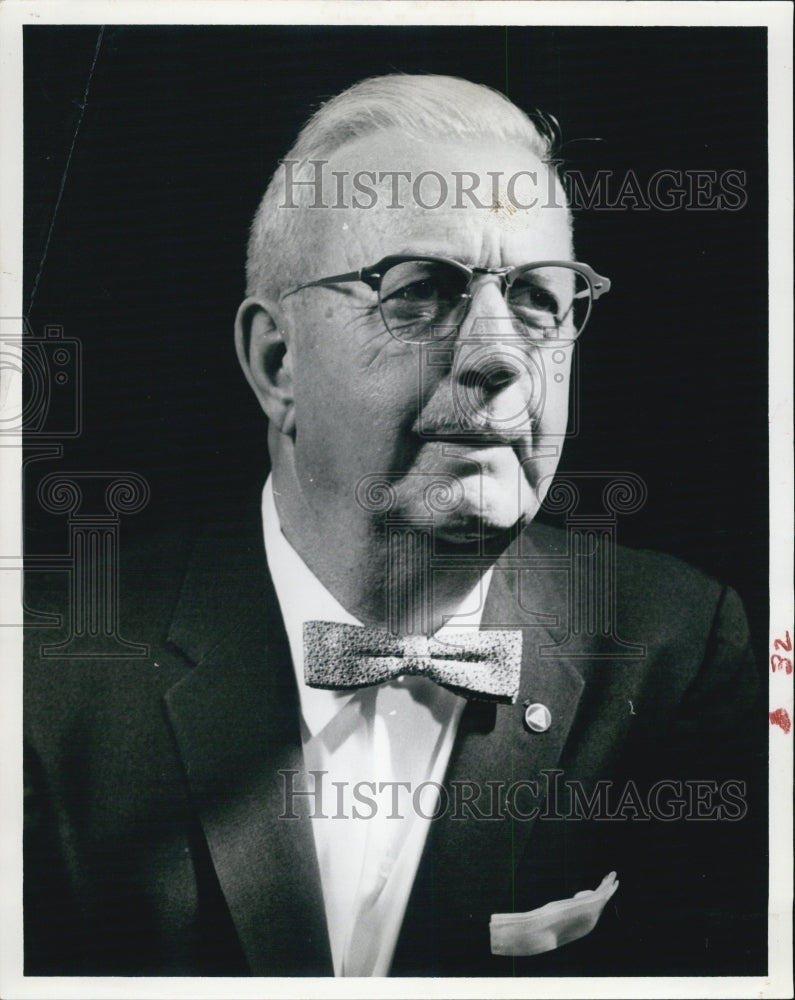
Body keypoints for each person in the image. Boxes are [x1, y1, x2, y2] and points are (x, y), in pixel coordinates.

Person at [24, 74, 765, 978]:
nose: (500, 357)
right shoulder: (42, 678)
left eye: (537, 297)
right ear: (276, 361)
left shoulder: (687, 651)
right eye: (420, 290)